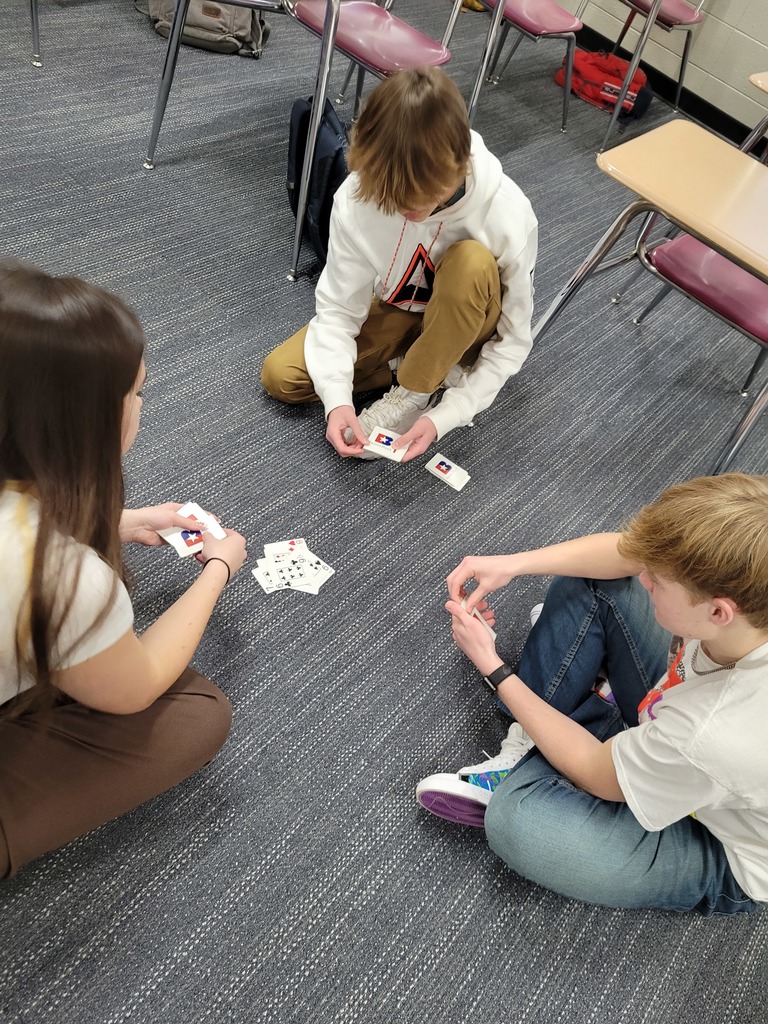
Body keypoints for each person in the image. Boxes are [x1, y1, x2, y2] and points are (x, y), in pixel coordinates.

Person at [416, 474, 768, 915]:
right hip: (682, 724)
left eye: (657, 580)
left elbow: (599, 774)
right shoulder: (747, 585)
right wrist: (510, 564)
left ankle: (565, 725)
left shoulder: (717, 731)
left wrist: (495, 668)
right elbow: (625, 555)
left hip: (725, 845)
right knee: (592, 580)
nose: (644, 579)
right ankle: (586, 716)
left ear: (719, 611)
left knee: (518, 826)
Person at [0, 260, 249, 879]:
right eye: (137, 392)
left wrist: (116, 520)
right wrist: (216, 569)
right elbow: (135, 687)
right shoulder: (64, 576)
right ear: (87, 419)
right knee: (197, 712)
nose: (142, 402)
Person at [261, 67, 537, 462]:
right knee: (281, 375)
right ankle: (413, 364)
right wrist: (338, 402)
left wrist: (445, 415)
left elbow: (512, 343)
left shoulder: (509, 214)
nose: (406, 210)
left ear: (459, 165)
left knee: (471, 262)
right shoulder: (360, 193)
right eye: (394, 198)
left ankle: (417, 390)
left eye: (421, 197)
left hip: (471, 322)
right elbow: (338, 311)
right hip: (403, 308)